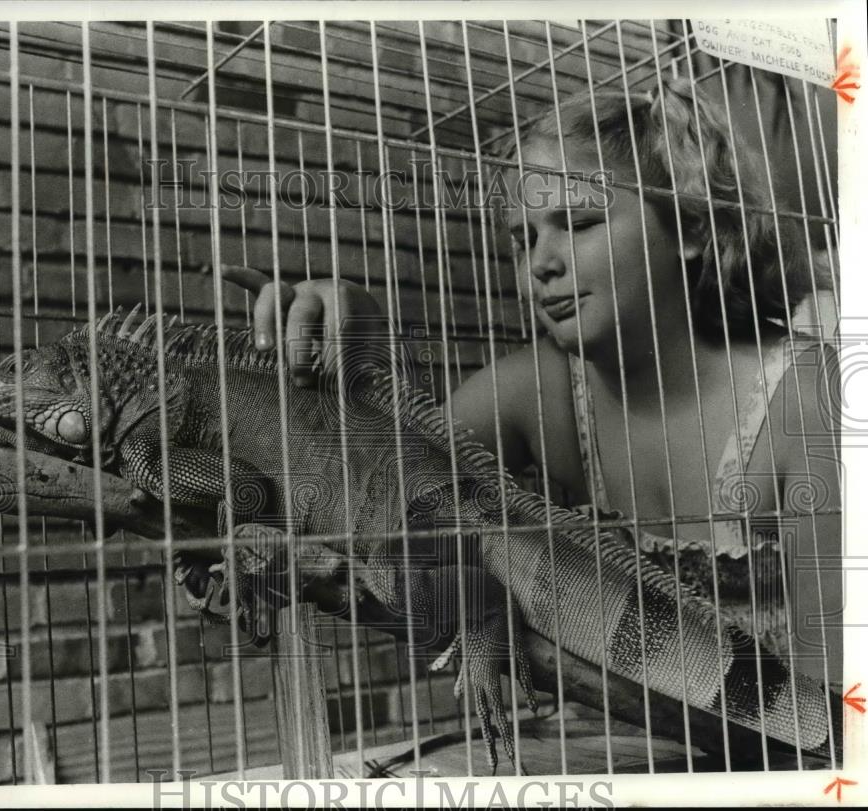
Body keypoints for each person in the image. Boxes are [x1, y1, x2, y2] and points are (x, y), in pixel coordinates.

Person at [222, 77, 841, 685]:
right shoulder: (537, 390)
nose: (542, 263)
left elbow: (844, 708)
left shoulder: (809, 398)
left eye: (577, 222)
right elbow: (367, 504)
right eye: (524, 238)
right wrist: (352, 363)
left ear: (691, 229)